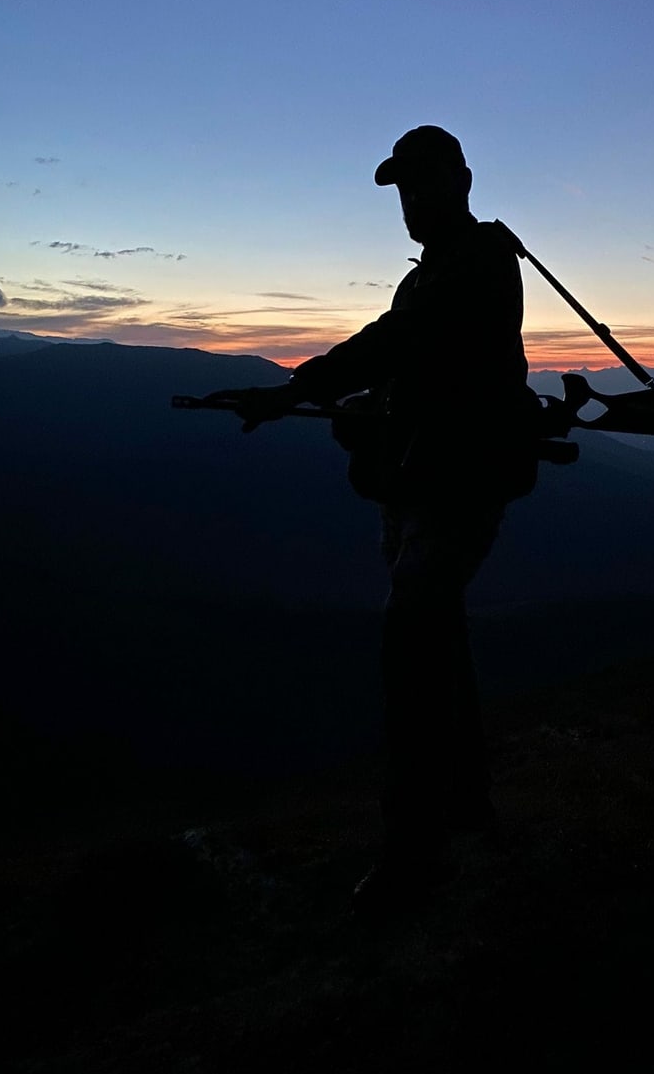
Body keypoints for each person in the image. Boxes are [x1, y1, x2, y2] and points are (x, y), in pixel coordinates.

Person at [211, 126, 539, 915]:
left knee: (412, 651)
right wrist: (358, 404)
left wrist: (296, 390)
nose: (411, 201)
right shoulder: (447, 270)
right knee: (437, 638)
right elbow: (421, 368)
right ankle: (467, 806)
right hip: (425, 487)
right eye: (402, 188)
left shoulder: (470, 266)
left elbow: (395, 345)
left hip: (453, 493)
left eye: (422, 184)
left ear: (461, 179)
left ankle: (414, 855)